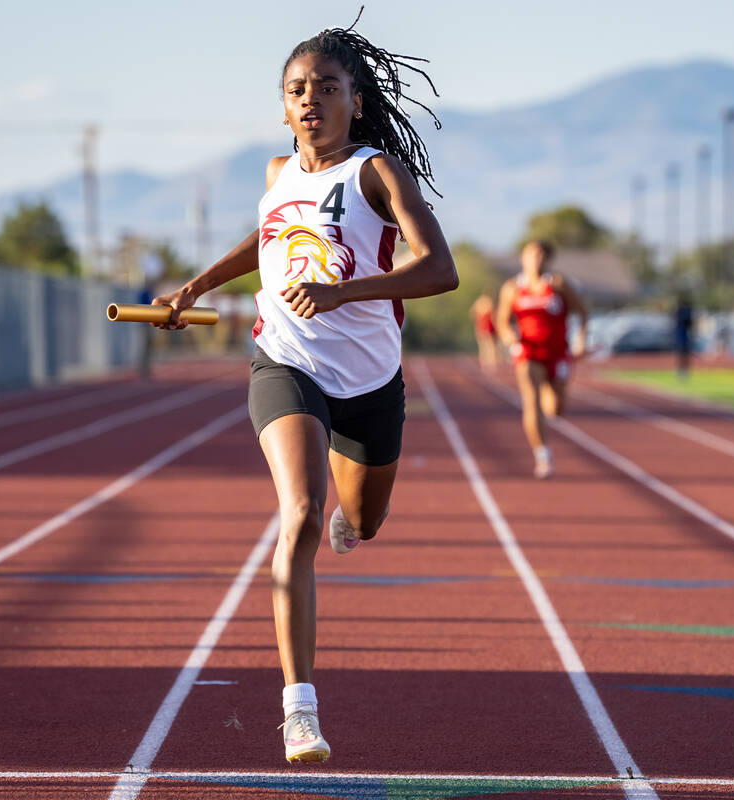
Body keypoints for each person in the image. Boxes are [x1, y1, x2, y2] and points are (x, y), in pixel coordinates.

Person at [152, 15, 457, 764]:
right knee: (300, 513)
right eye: (296, 90)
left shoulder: (377, 173)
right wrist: (196, 285)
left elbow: (439, 270)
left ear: (356, 100)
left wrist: (345, 291)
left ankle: (354, 519)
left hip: (369, 378)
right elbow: (264, 242)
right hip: (285, 361)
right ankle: (299, 711)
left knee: (364, 520)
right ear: (283, 107)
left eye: (326, 87)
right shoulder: (275, 174)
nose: (310, 99)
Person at [496, 240, 586, 479]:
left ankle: (548, 399)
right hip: (528, 352)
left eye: (540, 256)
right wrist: (510, 338)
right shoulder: (512, 288)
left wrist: (581, 340)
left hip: (557, 353)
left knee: (556, 409)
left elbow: (582, 312)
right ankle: (542, 455)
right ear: (522, 258)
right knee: (531, 401)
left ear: (547, 260)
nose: (535, 260)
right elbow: (502, 321)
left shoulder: (558, 284)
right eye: (531, 255)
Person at [469, 293, 499, 373]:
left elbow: (472, 314)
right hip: (488, 328)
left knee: (483, 348)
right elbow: (493, 318)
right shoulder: (489, 305)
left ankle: (484, 365)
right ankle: (491, 365)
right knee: (490, 347)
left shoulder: (478, 305)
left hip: (480, 328)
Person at [674, 292, 694, 379]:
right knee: (682, 354)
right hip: (681, 336)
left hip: (684, 336)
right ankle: (682, 370)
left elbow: (690, 323)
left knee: (685, 354)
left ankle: (684, 370)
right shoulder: (681, 311)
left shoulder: (685, 311)